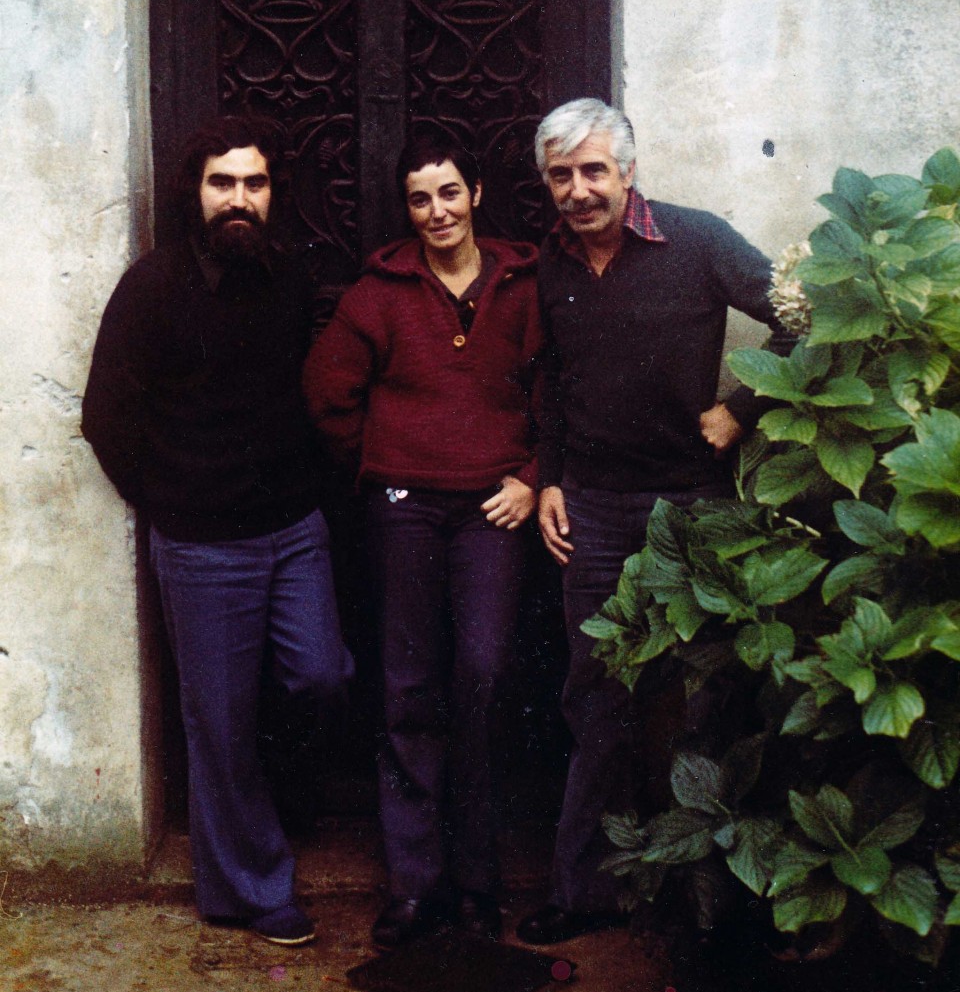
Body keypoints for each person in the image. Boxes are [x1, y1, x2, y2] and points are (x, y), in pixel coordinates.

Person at [516, 98, 790, 946]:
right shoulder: (551, 265)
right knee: (595, 693)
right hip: (592, 510)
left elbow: (802, 318)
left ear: (629, 172)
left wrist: (741, 407)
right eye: (561, 175)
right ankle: (583, 888)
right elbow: (553, 381)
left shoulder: (698, 241)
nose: (578, 190)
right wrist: (552, 479)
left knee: (710, 695)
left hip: (693, 504)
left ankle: (713, 902)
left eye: (593, 170)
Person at [82, 116, 354, 946]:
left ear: (274, 193)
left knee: (322, 676)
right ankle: (251, 887)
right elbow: (105, 418)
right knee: (220, 723)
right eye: (222, 183)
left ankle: (273, 811)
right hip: (202, 544)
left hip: (294, 529)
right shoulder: (153, 286)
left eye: (255, 183)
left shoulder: (290, 277)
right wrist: (170, 497)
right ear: (194, 192)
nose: (239, 199)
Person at [303, 132, 540, 948]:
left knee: (481, 673)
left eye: (448, 193)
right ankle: (415, 885)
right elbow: (328, 392)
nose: (436, 212)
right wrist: (383, 463)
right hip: (402, 509)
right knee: (407, 687)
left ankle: (477, 880)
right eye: (418, 198)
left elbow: (564, 391)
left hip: (494, 510)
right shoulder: (380, 292)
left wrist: (533, 474)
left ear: (475, 192)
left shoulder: (525, 283)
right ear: (405, 209)